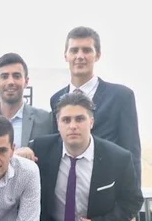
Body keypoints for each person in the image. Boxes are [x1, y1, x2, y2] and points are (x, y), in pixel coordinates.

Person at [21, 91, 143, 221]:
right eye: (66, 120)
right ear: (58, 123)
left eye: (80, 119)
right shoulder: (40, 149)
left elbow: (132, 200)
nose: (73, 126)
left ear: (91, 122)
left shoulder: (117, 158)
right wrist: (18, 157)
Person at [49, 26, 142, 186]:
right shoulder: (56, 99)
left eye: (86, 50)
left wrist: (133, 197)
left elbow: (132, 153)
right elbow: (56, 147)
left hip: (108, 190)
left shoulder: (121, 96)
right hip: (67, 189)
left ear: (97, 55)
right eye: (74, 50)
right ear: (66, 56)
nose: (80, 56)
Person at [0, 53, 52, 148]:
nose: (10, 82)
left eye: (16, 76)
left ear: (26, 81)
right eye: (4, 76)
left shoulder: (45, 120)